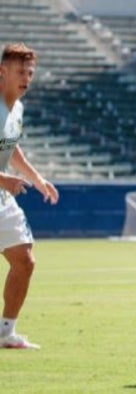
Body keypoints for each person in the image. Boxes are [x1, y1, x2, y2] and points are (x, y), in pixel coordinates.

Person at [0, 43, 59, 349]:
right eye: (20, 72)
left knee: (24, 261)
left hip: (2, 198)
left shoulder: (17, 108)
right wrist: (3, 179)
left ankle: (5, 332)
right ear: (2, 71)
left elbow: (11, 148)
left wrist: (36, 178)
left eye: (30, 72)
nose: (26, 78)